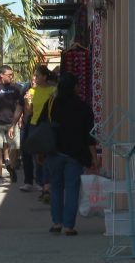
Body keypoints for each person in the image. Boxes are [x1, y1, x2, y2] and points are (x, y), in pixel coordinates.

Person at [39, 73, 98, 236]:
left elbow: (41, 125)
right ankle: (69, 226)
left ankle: (57, 223)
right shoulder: (84, 107)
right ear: (74, 87)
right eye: (77, 85)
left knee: (56, 188)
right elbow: (89, 136)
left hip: (54, 153)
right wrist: (94, 157)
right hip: (75, 155)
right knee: (72, 189)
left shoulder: (51, 103)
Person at [9, 65, 56, 195]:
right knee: (29, 151)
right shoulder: (31, 91)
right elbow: (29, 112)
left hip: (48, 125)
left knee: (42, 154)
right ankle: (30, 181)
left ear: (45, 77)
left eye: (37, 75)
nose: (34, 78)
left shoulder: (53, 90)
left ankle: (43, 182)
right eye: (34, 75)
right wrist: (28, 103)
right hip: (33, 124)